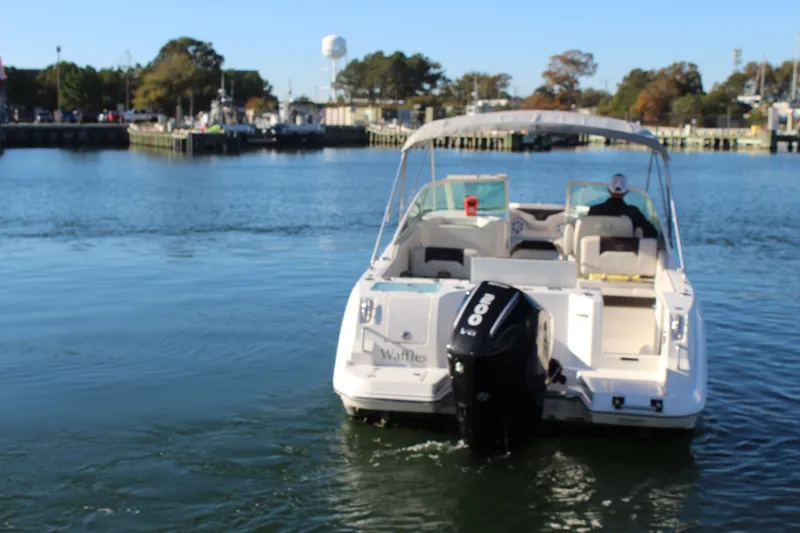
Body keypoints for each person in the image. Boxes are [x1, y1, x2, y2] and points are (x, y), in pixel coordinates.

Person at [587, 173, 658, 238]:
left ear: (608, 190)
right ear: (627, 191)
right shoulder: (633, 212)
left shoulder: (594, 210)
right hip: (627, 251)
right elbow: (653, 233)